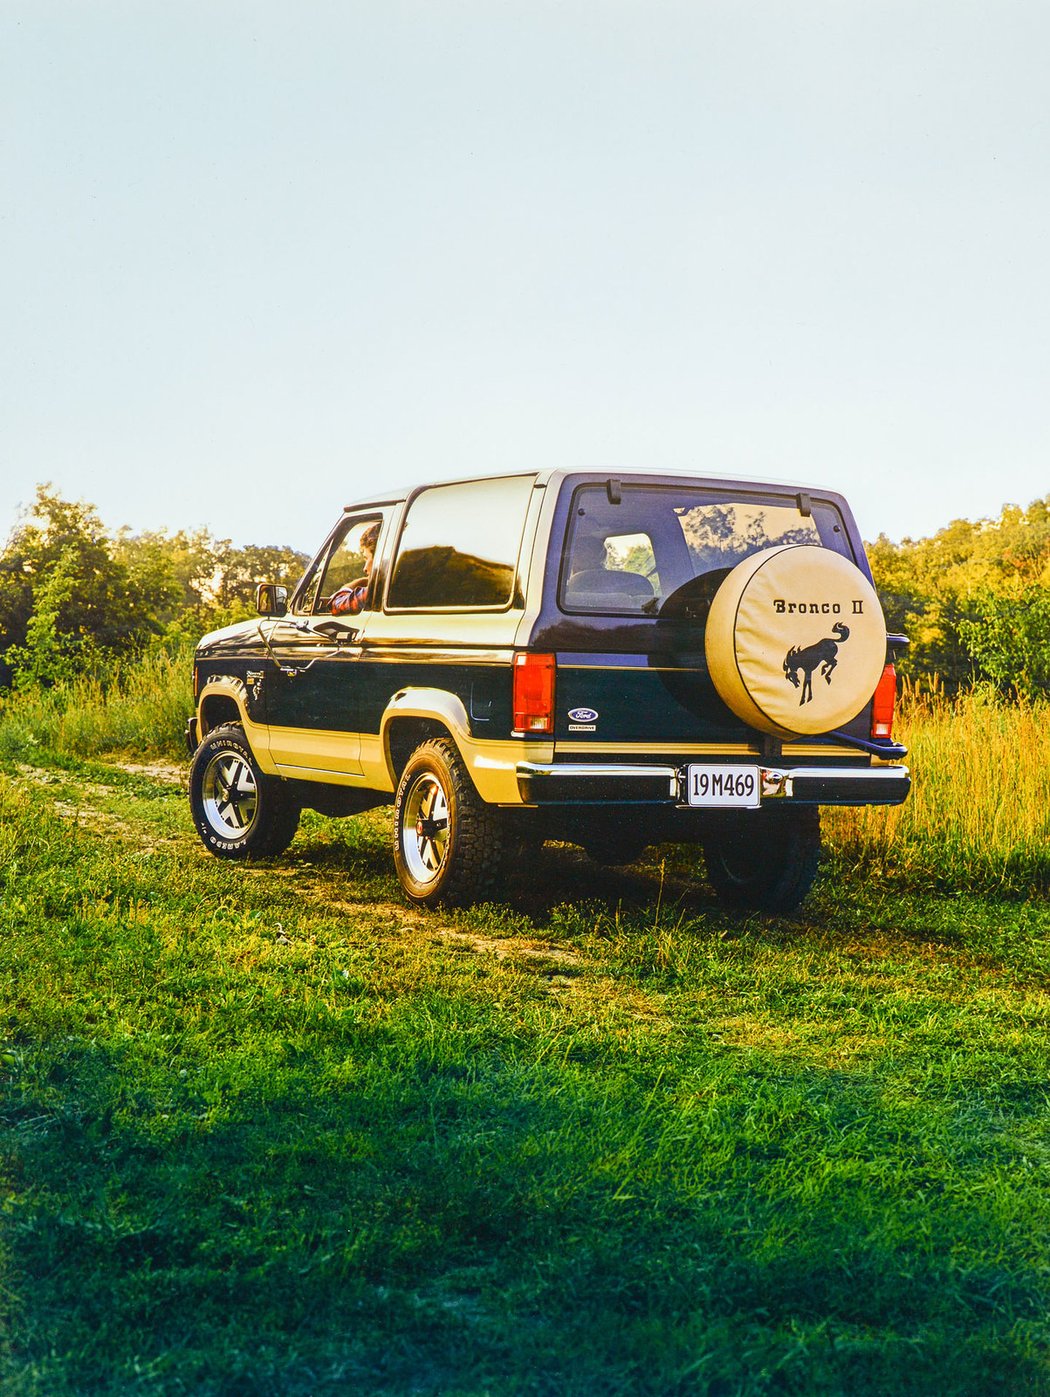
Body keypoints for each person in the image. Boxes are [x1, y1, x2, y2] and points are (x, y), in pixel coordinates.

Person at [330, 522, 380, 616]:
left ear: (379, 559)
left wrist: (360, 582)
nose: (365, 569)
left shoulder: (376, 591)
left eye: (367, 558)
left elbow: (337, 604)